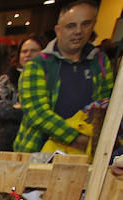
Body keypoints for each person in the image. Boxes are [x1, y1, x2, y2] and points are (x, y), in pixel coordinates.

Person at [14, 1, 114, 153]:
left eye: (85, 24)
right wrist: (76, 138)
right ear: (58, 30)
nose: (78, 31)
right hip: (39, 152)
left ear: (93, 25)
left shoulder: (100, 62)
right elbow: (37, 113)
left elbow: (106, 105)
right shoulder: (38, 64)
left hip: (87, 154)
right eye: (71, 26)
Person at [0, 36, 45, 172]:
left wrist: (22, 107)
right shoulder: (6, 79)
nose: (28, 55)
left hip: (35, 143)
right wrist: (34, 111)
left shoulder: (48, 79)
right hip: (4, 141)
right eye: (24, 51)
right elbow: (3, 111)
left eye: (34, 51)